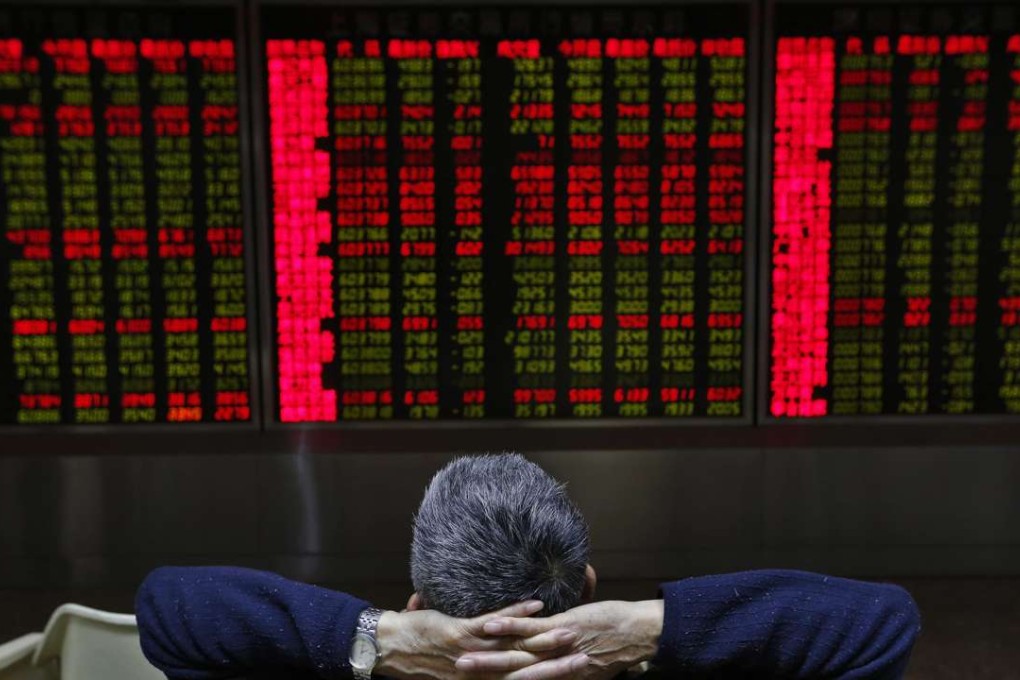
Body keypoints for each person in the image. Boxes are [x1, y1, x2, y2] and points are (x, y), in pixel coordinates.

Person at [136, 453, 921, 679]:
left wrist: (373, 638)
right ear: (588, 586)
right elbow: (884, 624)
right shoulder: (682, 671)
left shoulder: (347, 670)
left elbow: (169, 610)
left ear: (417, 600)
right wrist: (660, 629)